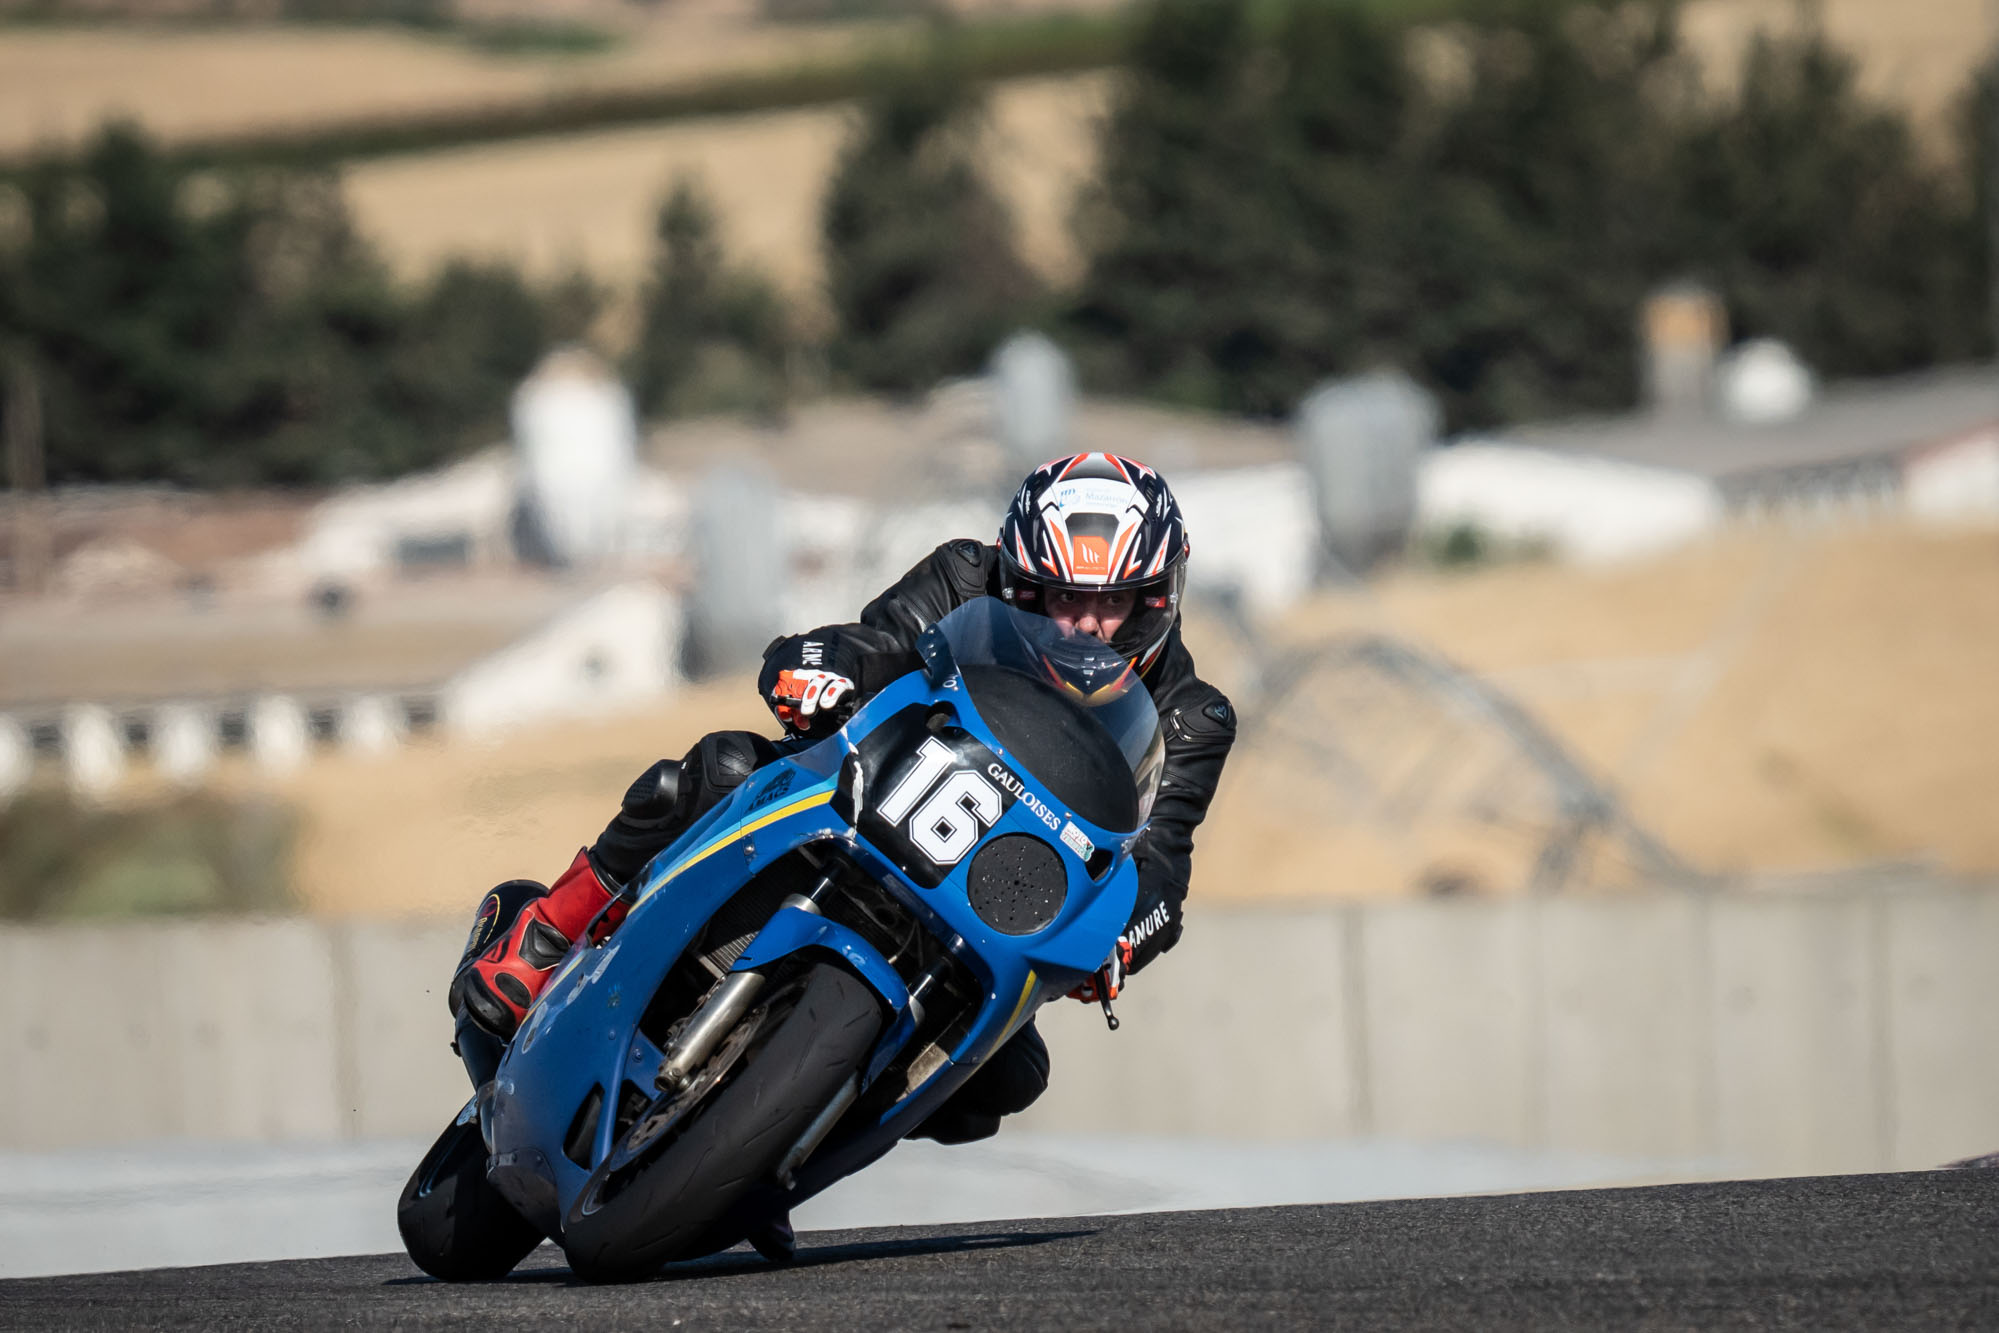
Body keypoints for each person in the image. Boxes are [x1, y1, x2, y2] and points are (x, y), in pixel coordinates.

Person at [447, 451, 1237, 1150]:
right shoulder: (965, 576)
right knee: (718, 767)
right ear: (1019, 582)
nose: (1088, 625)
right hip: (862, 802)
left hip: (992, 901)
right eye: (1061, 597)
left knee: (1007, 1079)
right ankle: (545, 933)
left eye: (1116, 601)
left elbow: (1161, 863)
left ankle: (776, 1153)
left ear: (1157, 598)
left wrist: (1120, 942)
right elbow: (876, 643)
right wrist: (816, 669)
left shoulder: (1191, 716)